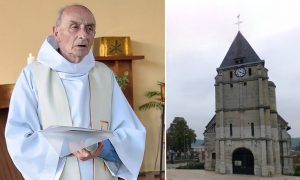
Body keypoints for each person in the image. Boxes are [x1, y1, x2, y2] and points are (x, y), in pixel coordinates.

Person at [5, 4, 146, 180]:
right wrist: (66, 145)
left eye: (90, 28)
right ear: (57, 33)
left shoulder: (103, 75)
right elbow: (19, 137)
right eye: (74, 27)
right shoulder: (33, 75)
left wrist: (102, 146)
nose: (83, 34)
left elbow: (131, 131)